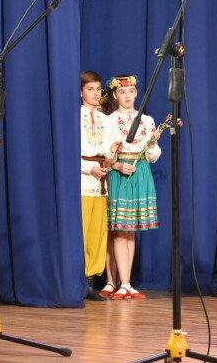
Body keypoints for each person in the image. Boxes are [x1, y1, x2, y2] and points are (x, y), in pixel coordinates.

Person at [100, 74, 162, 300]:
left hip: (140, 172)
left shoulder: (146, 120)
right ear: (115, 95)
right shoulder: (109, 120)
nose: (127, 96)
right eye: (122, 92)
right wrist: (116, 162)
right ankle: (120, 282)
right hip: (119, 174)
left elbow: (152, 156)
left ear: (136, 93)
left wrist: (152, 144)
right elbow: (104, 155)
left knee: (130, 231)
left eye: (131, 91)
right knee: (118, 229)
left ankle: (126, 283)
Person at [79, 70, 115, 301]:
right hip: (83, 181)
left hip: (101, 181)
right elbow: (70, 150)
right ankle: (78, 279)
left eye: (98, 89)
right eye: (90, 89)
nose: (95, 93)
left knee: (98, 232)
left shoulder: (105, 120)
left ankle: (91, 281)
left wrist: (112, 155)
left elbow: (109, 150)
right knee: (82, 230)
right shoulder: (76, 116)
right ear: (81, 92)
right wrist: (88, 169)